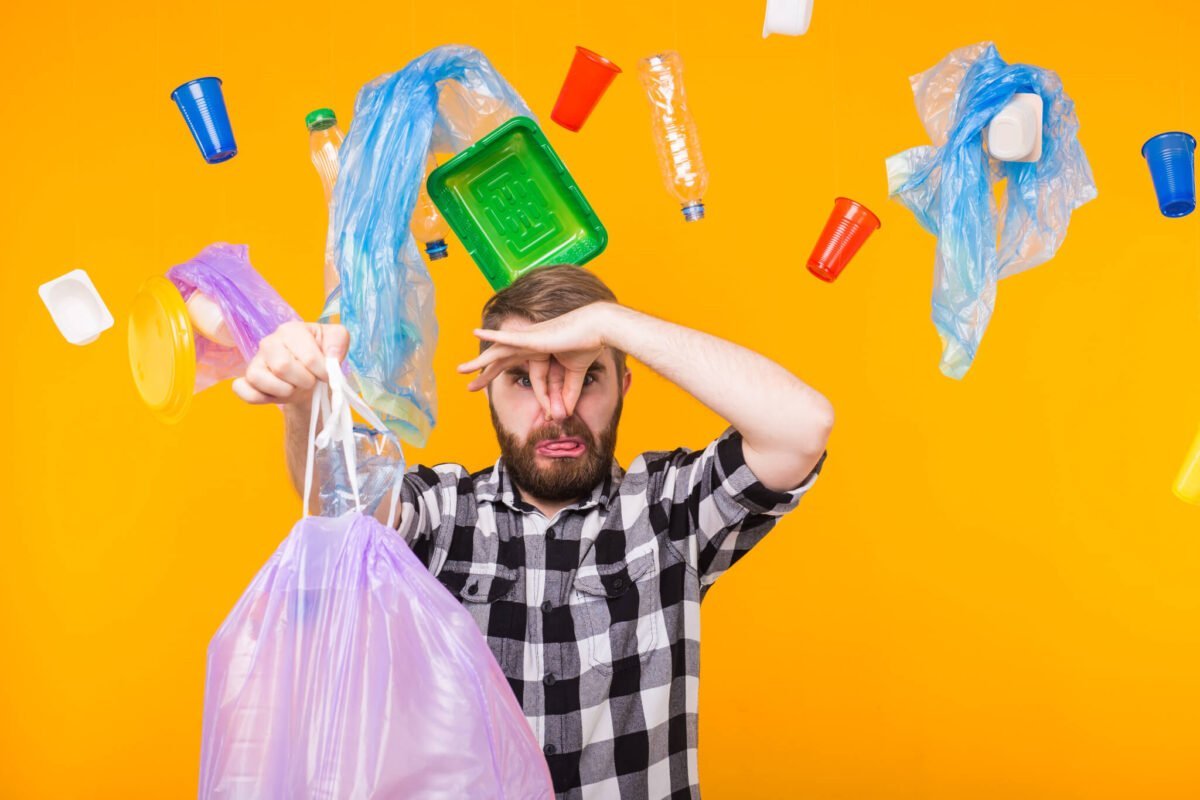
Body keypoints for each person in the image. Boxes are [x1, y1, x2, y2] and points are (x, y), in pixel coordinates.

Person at [233, 265, 833, 800]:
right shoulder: (443, 513)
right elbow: (345, 509)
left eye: (585, 376)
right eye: (522, 379)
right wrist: (307, 402)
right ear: (488, 393)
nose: (557, 407)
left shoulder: (669, 509)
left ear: (623, 386)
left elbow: (801, 427)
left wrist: (611, 325)